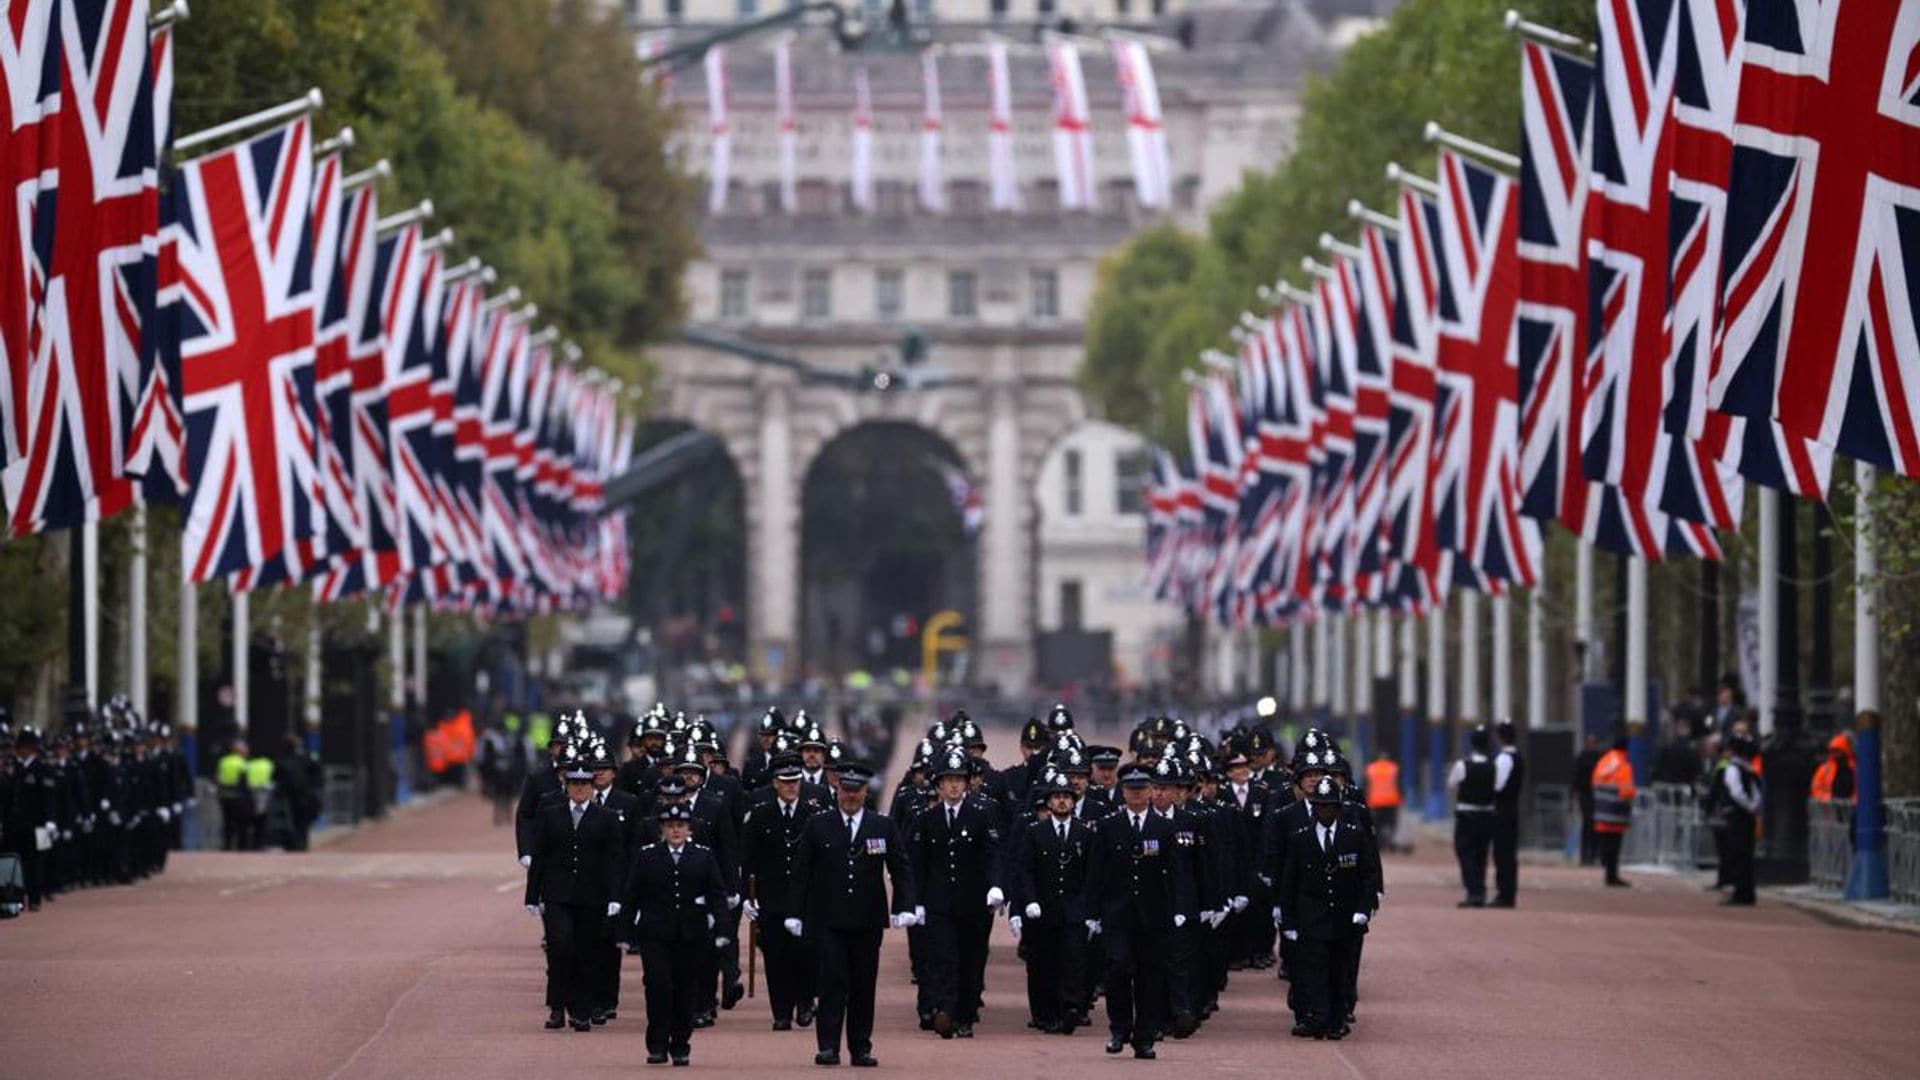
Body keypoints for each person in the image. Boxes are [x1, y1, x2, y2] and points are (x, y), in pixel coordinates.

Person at [785, 761, 918, 1067]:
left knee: (863, 985)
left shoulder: (882, 825)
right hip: (828, 920)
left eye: (856, 791)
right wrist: (795, 913)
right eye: (845, 790)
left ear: (865, 792)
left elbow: (901, 869)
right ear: (837, 790)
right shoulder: (818, 824)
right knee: (831, 983)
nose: (850, 796)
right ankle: (828, 1047)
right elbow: (801, 872)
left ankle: (861, 1047)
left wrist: (904, 906)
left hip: (867, 920)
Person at [1083, 762, 1194, 1061]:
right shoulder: (1108, 826)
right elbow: (1095, 872)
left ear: (1150, 792)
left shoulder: (1164, 828)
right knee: (1117, 969)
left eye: (1141, 789)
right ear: (1123, 792)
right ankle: (1119, 1029)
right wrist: (1091, 912)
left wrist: (1179, 909)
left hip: (1153, 915)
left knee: (1150, 978)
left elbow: (1175, 872)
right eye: (1130, 789)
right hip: (1117, 914)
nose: (1136, 794)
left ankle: (1144, 1038)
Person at [524, 744, 628, 1032]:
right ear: (566, 785)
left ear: (592, 786)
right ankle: (557, 1007)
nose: (580, 789)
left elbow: (614, 859)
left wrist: (615, 897)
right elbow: (541, 856)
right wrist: (532, 896)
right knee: (560, 947)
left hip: (591, 895)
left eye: (584, 783)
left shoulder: (606, 818)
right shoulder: (550, 813)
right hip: (558, 893)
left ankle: (581, 1010)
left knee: (586, 951)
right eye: (574, 783)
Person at [622, 803, 730, 1065]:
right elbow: (632, 895)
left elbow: (717, 894)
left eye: (680, 825)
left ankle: (681, 1043)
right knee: (658, 985)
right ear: (663, 829)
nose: (676, 831)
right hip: (655, 933)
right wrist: (625, 931)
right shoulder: (647, 856)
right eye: (670, 826)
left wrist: (723, 930)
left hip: (691, 934)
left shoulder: (703, 856)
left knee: (685, 990)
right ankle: (657, 1043)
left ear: (688, 828)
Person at [907, 746, 1003, 1040]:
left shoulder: (981, 815)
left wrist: (996, 886)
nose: (953, 785)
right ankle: (946, 1012)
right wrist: (916, 902)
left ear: (966, 783)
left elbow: (992, 856)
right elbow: (917, 864)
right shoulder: (927, 819)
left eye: (959, 779)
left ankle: (965, 1014)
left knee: (971, 960)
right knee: (944, 957)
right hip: (939, 903)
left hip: (973, 903)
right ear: (938, 784)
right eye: (948, 779)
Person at [1277, 775, 1381, 1041]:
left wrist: (1363, 908)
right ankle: (1318, 1017)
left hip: (1345, 917)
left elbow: (1369, 874)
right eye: (1320, 805)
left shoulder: (1353, 836)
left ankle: (1337, 1019)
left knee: (1340, 971)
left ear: (1338, 807)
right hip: (1311, 916)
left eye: (1330, 805)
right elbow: (1289, 882)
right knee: (1314, 969)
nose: (1325, 811)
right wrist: (1286, 920)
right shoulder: (1300, 838)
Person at [739, 753, 827, 1030]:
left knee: (806, 953)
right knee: (777, 956)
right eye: (786, 781)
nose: (792, 786)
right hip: (771, 897)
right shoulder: (760, 814)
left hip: (807, 898)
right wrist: (745, 897)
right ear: (775, 783)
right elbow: (747, 859)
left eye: (796, 781)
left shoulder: (813, 814)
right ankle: (781, 1011)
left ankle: (804, 1001)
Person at [1006, 770, 1093, 1035]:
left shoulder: (1085, 833)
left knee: (1073, 962)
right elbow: (1025, 870)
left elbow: (1093, 874)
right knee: (1043, 964)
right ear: (1048, 802)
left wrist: (1092, 910)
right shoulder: (1035, 832)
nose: (1062, 802)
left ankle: (1070, 1009)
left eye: (1067, 797)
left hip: (1074, 910)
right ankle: (1044, 1014)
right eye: (1057, 797)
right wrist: (1028, 902)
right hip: (1042, 911)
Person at [1709, 733, 1763, 906]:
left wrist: (1747, 806)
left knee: (1737, 854)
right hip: (1747, 817)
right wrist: (1753, 807)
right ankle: (1747, 891)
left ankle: (1740, 892)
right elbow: (1756, 792)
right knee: (1746, 854)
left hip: (1736, 815)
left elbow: (1736, 792)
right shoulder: (1749, 769)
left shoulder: (1733, 769)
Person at [1448, 727, 1497, 907]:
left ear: (1472, 744)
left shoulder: (1463, 765)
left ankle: (1473, 891)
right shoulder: (1494, 766)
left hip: (1467, 815)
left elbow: (1451, 784)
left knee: (1465, 852)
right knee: (1481, 854)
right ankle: (1480, 891)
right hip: (1487, 815)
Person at [1590, 731, 1637, 887]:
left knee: (1606, 844)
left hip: (1601, 810)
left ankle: (1607, 872)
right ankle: (1612, 876)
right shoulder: (1623, 765)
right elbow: (1627, 791)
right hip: (1616, 813)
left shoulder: (1604, 761)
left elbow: (1595, 782)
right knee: (1614, 846)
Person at [1490, 720, 1524, 907]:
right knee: (1508, 854)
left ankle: (1505, 893)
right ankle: (1507, 892)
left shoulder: (1504, 759)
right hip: (1512, 810)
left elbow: (1498, 785)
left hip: (1502, 811)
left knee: (1502, 853)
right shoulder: (1518, 757)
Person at [1571, 734, 1602, 866]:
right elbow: (1576, 777)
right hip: (1588, 794)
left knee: (1591, 825)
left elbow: (1575, 777)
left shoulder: (1591, 757)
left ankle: (1591, 854)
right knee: (1589, 824)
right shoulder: (1588, 757)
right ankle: (1587, 855)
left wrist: (1574, 793)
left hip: (1592, 794)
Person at [1363, 751, 1402, 855]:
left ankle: (1380, 843)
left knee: (1377, 823)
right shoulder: (1393, 768)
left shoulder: (1371, 768)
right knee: (1391, 823)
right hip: (1391, 800)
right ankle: (1390, 841)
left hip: (1375, 801)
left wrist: (1365, 799)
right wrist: (1401, 797)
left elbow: (1366, 785)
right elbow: (1399, 784)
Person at [216, 739, 250, 852]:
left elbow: (218, 778)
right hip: (238, 797)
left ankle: (227, 846)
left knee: (227, 822)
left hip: (224, 797)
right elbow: (244, 783)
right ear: (239, 751)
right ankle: (241, 848)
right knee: (241, 824)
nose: (247, 751)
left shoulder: (223, 761)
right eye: (245, 749)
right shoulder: (242, 763)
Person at [1809, 733, 1854, 804]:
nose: (1834, 754)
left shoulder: (1855, 769)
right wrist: (1828, 798)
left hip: (1852, 807)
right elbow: (1815, 788)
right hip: (1830, 807)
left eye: (1836, 751)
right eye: (1832, 751)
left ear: (1844, 751)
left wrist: (1853, 801)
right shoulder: (1825, 769)